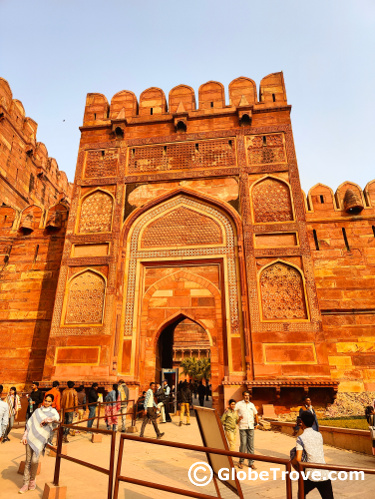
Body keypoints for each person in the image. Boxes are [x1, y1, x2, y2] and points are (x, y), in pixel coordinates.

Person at [18, 393, 60, 494]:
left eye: (49, 401)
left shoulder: (53, 412)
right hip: (30, 437)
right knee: (28, 461)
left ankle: (32, 479)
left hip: (41, 439)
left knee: (34, 461)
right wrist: (24, 436)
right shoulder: (37, 411)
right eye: (46, 400)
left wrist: (47, 420)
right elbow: (30, 423)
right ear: (44, 400)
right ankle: (25, 483)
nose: (47, 402)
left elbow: (57, 419)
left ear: (52, 402)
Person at [291, 411, 334, 499]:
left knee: (301, 494)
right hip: (323, 472)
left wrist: (292, 461)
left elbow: (298, 459)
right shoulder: (319, 435)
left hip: (311, 474)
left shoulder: (300, 438)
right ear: (314, 422)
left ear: (302, 422)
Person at [235, 390, 259, 469]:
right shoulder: (239, 404)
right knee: (243, 444)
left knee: (251, 445)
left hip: (250, 427)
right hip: (242, 427)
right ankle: (241, 461)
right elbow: (233, 412)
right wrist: (237, 420)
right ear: (243, 396)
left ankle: (251, 462)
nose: (247, 397)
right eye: (245, 395)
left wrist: (257, 423)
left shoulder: (252, 405)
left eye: (248, 395)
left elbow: (256, 414)